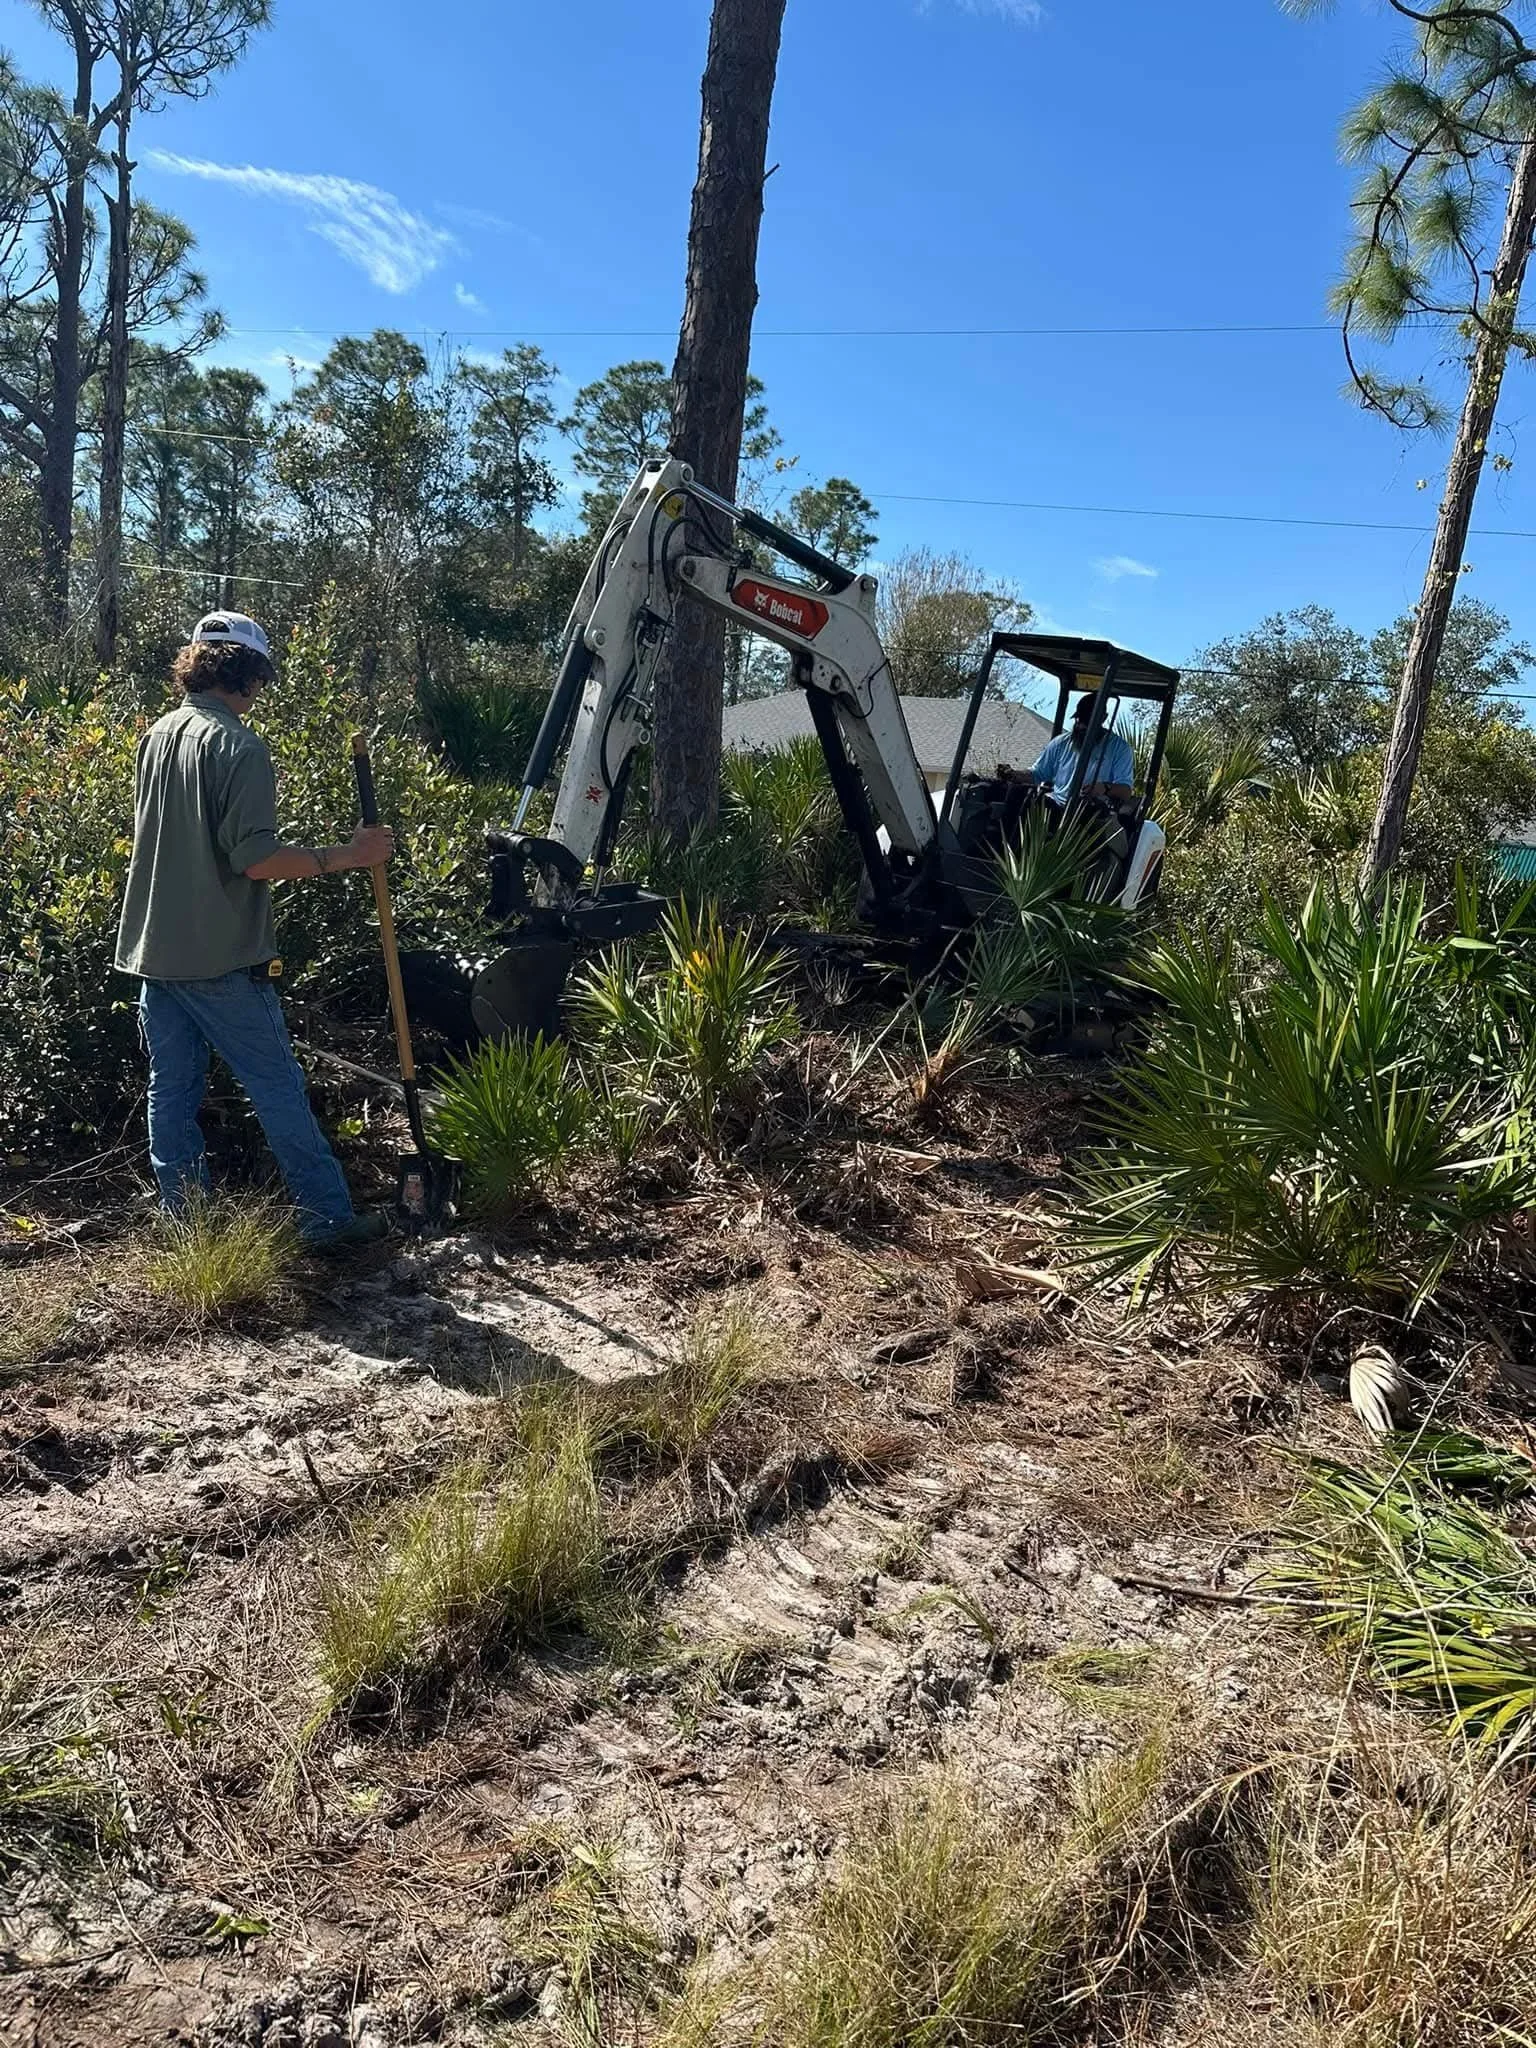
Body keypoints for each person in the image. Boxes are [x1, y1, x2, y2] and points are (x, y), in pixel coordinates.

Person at [115, 611, 396, 1249]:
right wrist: (348, 855)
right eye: (261, 679)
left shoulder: (159, 734)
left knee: (173, 1089)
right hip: (218, 957)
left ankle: (189, 1226)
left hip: (155, 950)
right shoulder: (239, 745)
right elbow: (256, 859)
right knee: (276, 1086)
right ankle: (329, 1222)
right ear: (247, 673)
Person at [1026, 693, 1136, 805]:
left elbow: (1125, 791)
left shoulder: (1119, 748)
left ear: (1103, 718)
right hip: (1056, 805)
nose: (1081, 726)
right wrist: (1014, 775)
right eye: (1079, 719)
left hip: (1090, 810)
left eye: (1087, 721)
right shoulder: (1060, 743)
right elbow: (1036, 774)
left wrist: (1104, 788)